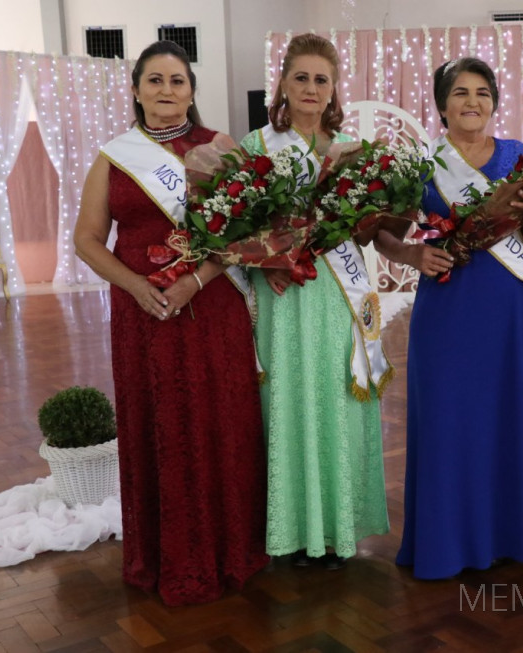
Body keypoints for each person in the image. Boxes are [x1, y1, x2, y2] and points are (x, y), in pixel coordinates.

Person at [74, 41, 268, 605]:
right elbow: (87, 241)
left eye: (177, 81)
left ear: (191, 91)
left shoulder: (221, 147)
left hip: (211, 305)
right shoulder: (114, 156)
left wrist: (195, 281)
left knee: (220, 418)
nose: (166, 91)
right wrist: (135, 285)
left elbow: (244, 234)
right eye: (154, 80)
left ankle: (232, 549)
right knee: (157, 422)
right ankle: (163, 557)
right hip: (144, 315)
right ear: (135, 89)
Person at [375, 58, 523, 579]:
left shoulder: (520, 157)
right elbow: (382, 234)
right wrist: (414, 255)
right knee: (450, 422)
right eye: (460, 93)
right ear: (441, 105)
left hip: (510, 310)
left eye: (482, 92)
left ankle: (508, 535)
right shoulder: (422, 164)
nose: (472, 102)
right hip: (449, 308)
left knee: (508, 418)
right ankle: (449, 542)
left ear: (495, 101)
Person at [239, 33, 390, 570]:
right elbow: (234, 227)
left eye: (320, 79)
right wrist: (268, 259)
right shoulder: (254, 148)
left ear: (333, 89)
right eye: (300, 77)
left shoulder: (354, 150)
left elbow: (369, 231)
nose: (309, 87)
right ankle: (290, 528)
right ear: (281, 82)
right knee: (287, 401)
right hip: (282, 298)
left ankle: (336, 529)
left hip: (338, 296)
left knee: (337, 403)